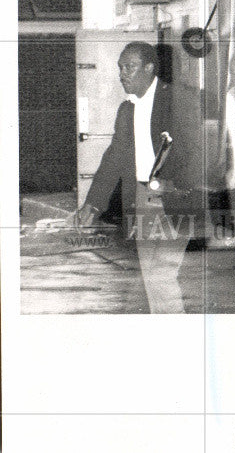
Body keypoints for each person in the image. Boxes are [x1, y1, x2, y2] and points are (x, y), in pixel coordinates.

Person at [70, 41, 198, 313]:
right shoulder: (126, 110)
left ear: (149, 68)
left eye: (130, 67)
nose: (122, 74)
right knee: (152, 278)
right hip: (141, 200)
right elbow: (114, 158)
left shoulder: (177, 99)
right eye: (120, 67)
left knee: (160, 276)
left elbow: (198, 152)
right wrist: (93, 204)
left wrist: (178, 185)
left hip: (174, 200)